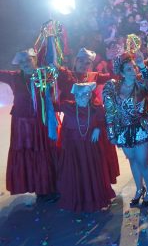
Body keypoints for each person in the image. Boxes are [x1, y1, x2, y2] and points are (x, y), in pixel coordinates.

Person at [1, 49, 58, 201]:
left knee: (44, 151)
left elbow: (55, 89)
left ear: (34, 60)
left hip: (41, 120)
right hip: (22, 124)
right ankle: (38, 187)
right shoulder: (14, 77)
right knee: (29, 153)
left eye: (27, 60)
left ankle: (48, 185)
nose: (25, 64)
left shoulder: (44, 74)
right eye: (21, 62)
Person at [103, 52, 148, 207]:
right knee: (132, 160)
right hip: (123, 130)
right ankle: (139, 189)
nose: (133, 70)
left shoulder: (141, 83)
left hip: (140, 127)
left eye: (134, 67)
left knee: (143, 162)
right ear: (121, 73)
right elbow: (110, 111)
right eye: (128, 69)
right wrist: (112, 133)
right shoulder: (113, 87)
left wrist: (141, 65)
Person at [56, 82, 116, 212]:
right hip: (74, 148)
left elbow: (103, 121)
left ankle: (94, 198)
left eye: (86, 94)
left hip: (90, 147)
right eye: (80, 95)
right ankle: (78, 199)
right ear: (75, 96)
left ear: (90, 96)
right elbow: (51, 105)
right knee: (77, 172)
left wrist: (98, 129)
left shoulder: (96, 108)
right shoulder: (68, 107)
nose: (83, 97)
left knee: (92, 171)